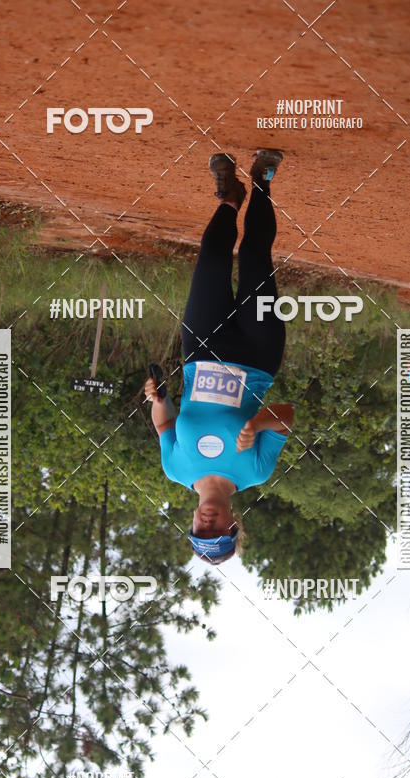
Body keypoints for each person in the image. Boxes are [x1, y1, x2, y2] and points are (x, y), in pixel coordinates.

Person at [144, 150, 294, 564]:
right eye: (217, 531)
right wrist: (258, 423)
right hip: (258, 355)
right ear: (233, 526)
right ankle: (262, 182)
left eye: (200, 530)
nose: (207, 523)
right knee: (253, 259)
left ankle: (230, 199)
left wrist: (158, 400)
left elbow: (166, 424)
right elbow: (286, 415)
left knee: (210, 261)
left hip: (200, 350)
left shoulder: (176, 469)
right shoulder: (255, 471)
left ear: (191, 524)